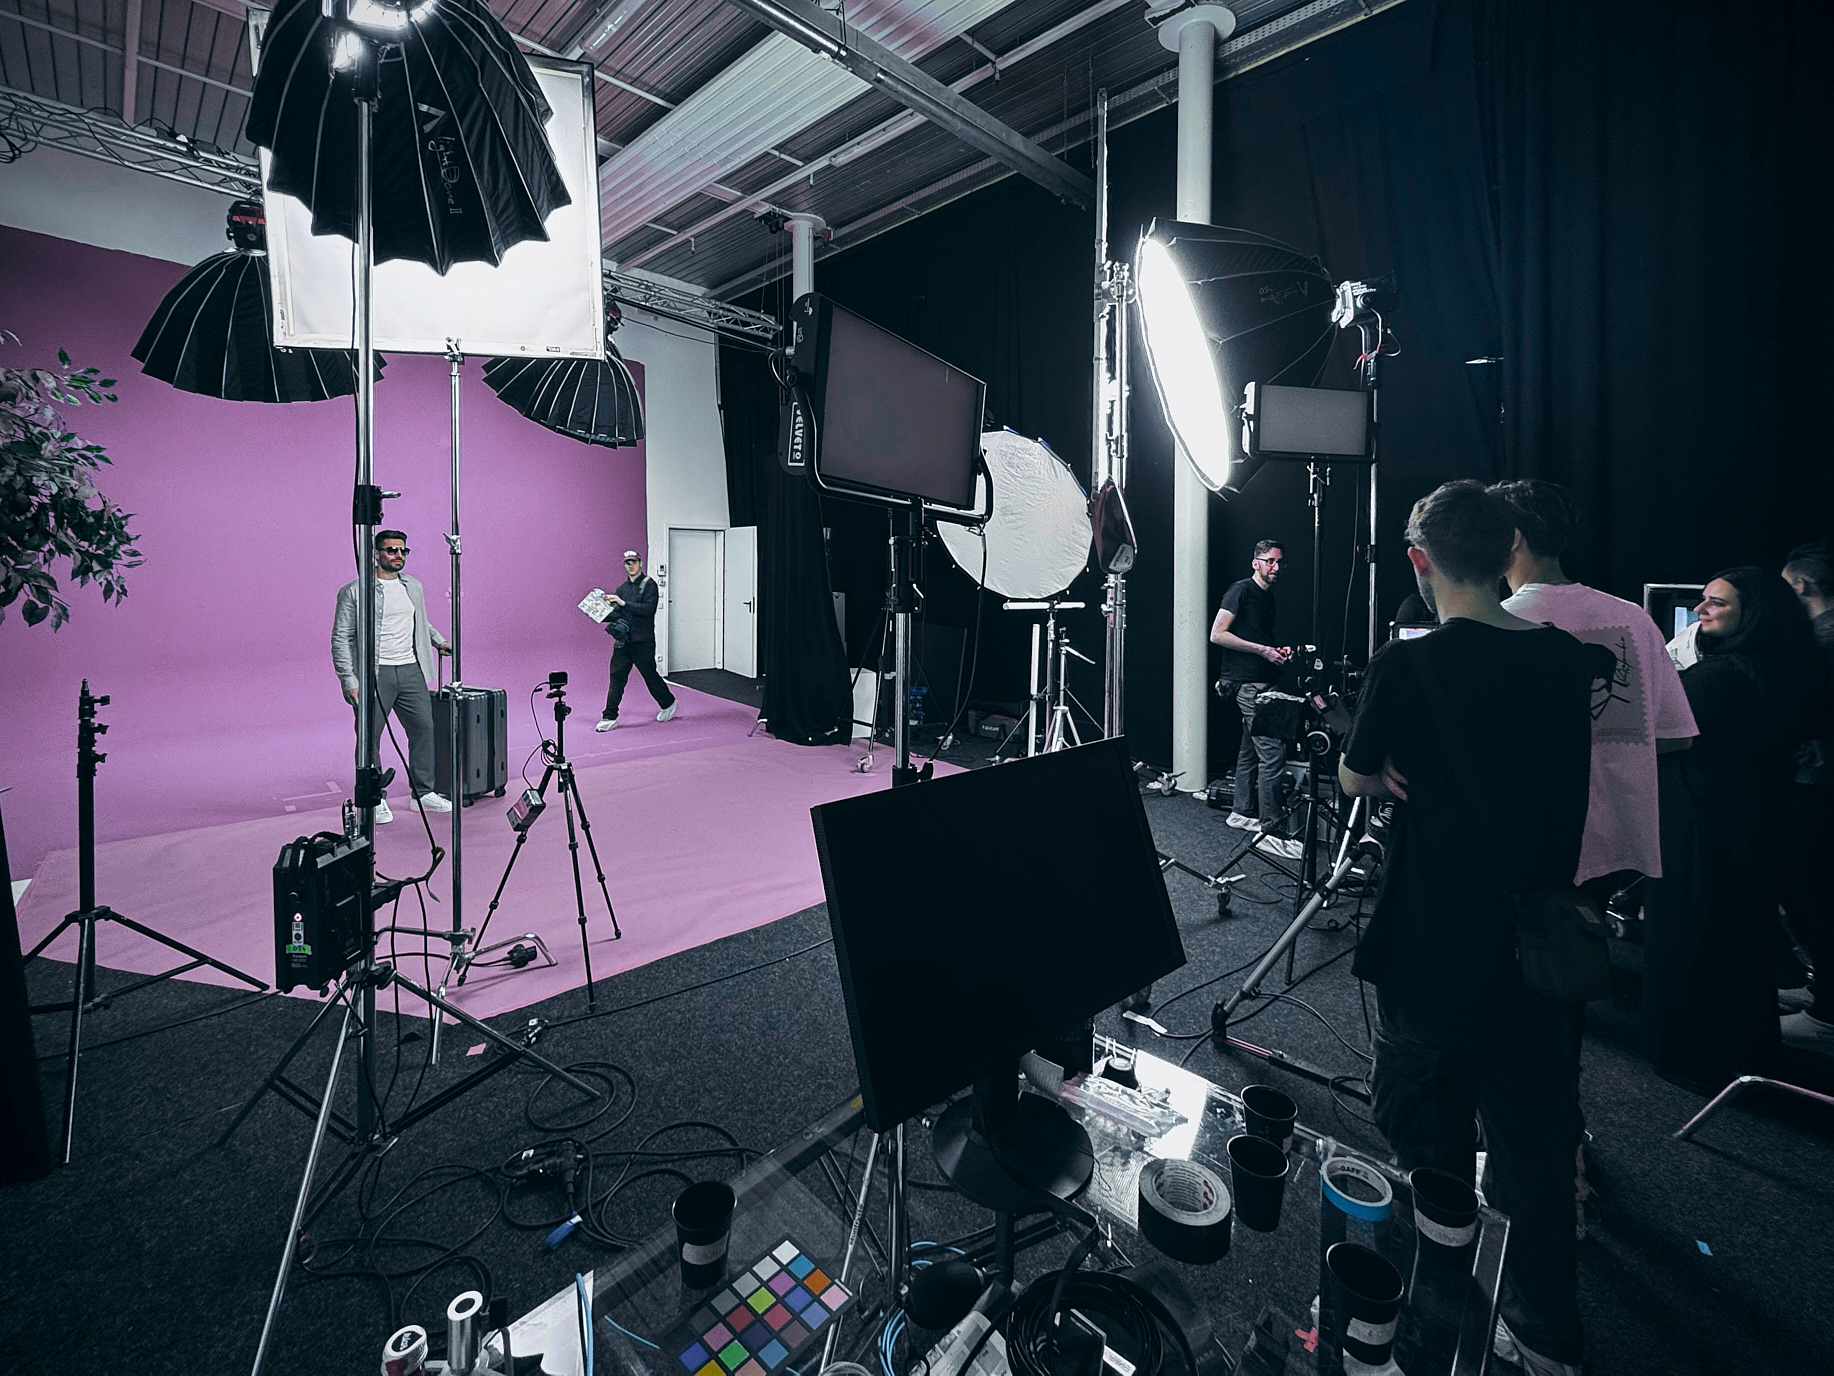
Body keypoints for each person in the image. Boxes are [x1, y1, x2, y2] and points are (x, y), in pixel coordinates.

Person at [1339, 481, 1595, 1376]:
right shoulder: (1570, 661)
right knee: (1535, 1146)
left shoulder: (1408, 666)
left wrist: (1382, 775)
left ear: (1420, 561)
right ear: (1509, 553)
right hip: (1540, 946)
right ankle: (1548, 1339)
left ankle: (1424, 1323)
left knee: (1426, 1138)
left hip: (1435, 942)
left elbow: (1354, 773)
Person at [1645, 567, 1832, 1085]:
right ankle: (1742, 1049)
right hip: (1760, 813)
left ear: (1754, 613)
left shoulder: (1721, 677)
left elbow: (1659, 736)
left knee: (1692, 930)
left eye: (1716, 604)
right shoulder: (1796, 668)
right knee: (1740, 937)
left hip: (1703, 815)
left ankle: (1692, 1057)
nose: (1701, 610)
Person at [1492, 480, 1698, 904]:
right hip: (1614, 841)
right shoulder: (1633, 619)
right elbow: (1678, 735)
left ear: (1511, 536)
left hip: (1522, 832)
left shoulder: (1495, 625)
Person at [331, 530, 453, 824]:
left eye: (402, 551)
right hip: (374, 673)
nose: (398, 555)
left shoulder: (413, 586)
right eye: (390, 550)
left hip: (411, 668)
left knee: (424, 729)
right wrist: (349, 680)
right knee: (369, 738)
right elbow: (341, 638)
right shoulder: (354, 591)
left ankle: (423, 793)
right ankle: (375, 799)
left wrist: (438, 640)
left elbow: (419, 619)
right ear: (375, 553)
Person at [1210, 539, 1299, 860]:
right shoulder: (1241, 591)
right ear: (1255, 562)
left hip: (1261, 681)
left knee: (1249, 751)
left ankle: (1241, 811)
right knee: (1273, 754)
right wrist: (1263, 650)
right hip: (1246, 686)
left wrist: (1275, 650)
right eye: (1270, 561)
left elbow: (1257, 637)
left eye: (1279, 562)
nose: (1276, 567)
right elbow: (1217, 634)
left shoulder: (1266, 596)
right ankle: (1271, 829)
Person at [1780, 542, 1834, 1049]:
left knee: (1813, 891)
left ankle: (1828, 1017)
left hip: (1818, 783)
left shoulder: (1819, 642)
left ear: (1800, 586)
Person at [597, 549, 678, 731]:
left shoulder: (650, 585)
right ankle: (609, 716)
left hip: (643, 641)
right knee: (616, 678)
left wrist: (624, 603)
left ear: (640, 563)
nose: (631, 565)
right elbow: (618, 614)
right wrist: (600, 612)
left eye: (634, 562)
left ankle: (668, 703)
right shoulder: (621, 588)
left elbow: (648, 610)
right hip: (623, 641)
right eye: (627, 563)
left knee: (650, 676)